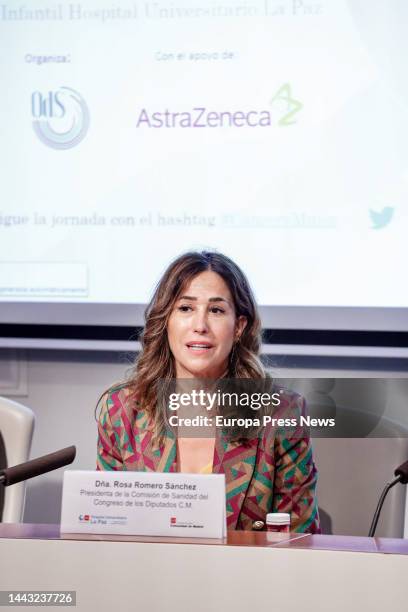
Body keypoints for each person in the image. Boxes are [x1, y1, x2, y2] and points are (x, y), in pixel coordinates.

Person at [97, 251, 321, 533]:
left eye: (216, 310)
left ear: (239, 326)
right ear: (166, 320)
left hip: (246, 574)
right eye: (185, 309)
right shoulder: (121, 410)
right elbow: (107, 529)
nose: (200, 326)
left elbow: (300, 539)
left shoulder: (281, 414)